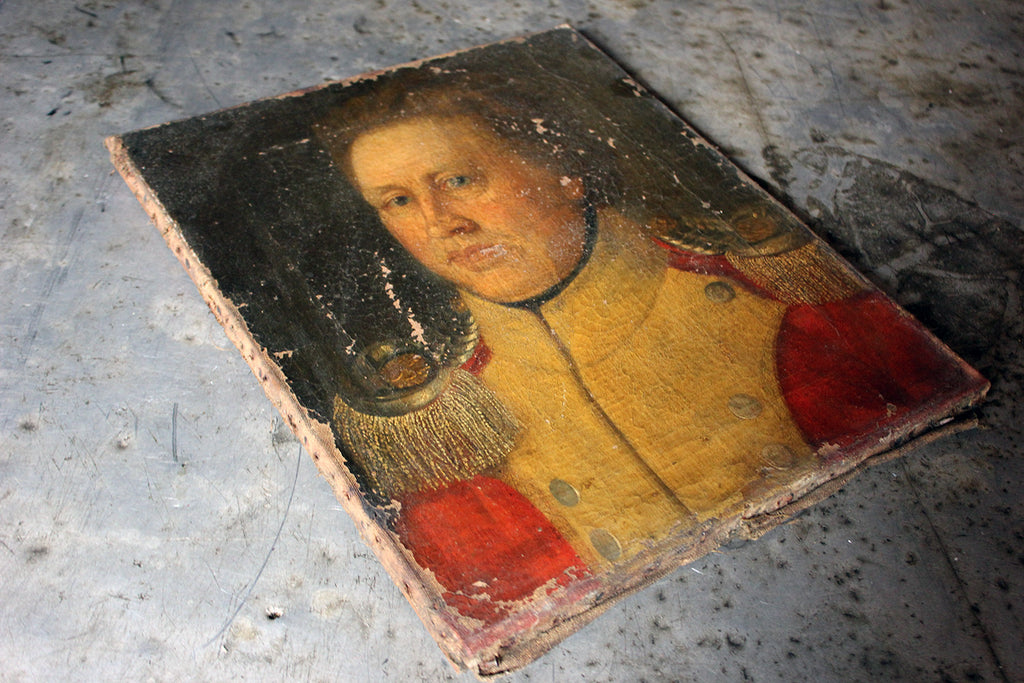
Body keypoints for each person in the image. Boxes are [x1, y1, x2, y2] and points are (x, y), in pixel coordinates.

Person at [314, 74, 985, 624]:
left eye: (459, 180)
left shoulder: (777, 287)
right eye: (397, 201)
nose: (441, 223)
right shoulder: (437, 423)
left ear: (564, 171)